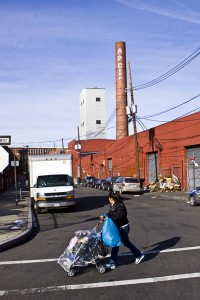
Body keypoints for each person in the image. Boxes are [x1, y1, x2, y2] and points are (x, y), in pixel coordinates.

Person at [100, 191, 144, 269]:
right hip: (119, 227)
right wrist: (105, 216)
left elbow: (119, 216)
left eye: (109, 198)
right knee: (126, 242)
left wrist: (108, 217)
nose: (108, 199)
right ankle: (139, 255)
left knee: (115, 243)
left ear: (111, 198)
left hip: (123, 228)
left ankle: (112, 262)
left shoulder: (120, 206)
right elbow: (111, 213)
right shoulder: (113, 204)